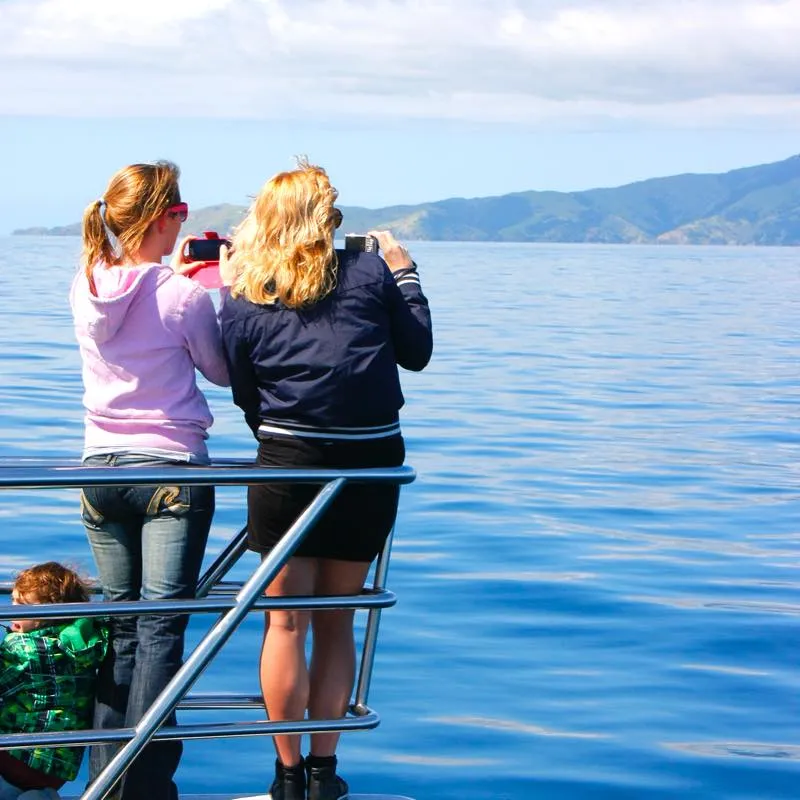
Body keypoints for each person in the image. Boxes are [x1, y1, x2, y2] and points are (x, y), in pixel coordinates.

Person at [218, 159, 433, 800]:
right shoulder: (370, 271)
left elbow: (241, 389)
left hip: (288, 465)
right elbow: (417, 352)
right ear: (329, 222)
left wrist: (282, 432)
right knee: (338, 617)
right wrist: (406, 274)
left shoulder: (248, 290)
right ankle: (322, 772)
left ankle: (285, 778)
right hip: (366, 466)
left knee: (285, 623)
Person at [69, 161, 230, 800]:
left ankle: (105, 782)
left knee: (122, 627)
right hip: (168, 473)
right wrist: (204, 288)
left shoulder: (84, 285)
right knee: (162, 629)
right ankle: (146, 789)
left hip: (98, 473)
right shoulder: (182, 296)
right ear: (164, 219)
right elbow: (219, 371)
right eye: (181, 214)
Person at [0, 562, 108, 800]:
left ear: (49, 613)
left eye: (22, 606)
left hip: (18, 760)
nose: (13, 611)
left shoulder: (23, 649)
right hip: (59, 770)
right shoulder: (86, 647)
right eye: (14, 602)